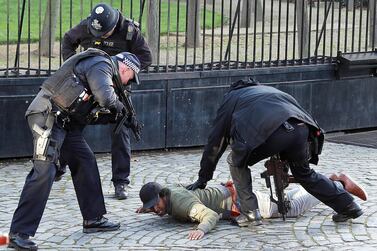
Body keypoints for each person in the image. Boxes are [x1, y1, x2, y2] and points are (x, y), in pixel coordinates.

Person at [8, 48, 141, 250]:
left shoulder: (103, 71)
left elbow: (89, 110)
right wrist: (119, 106)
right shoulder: (101, 64)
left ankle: (93, 218)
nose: (128, 83)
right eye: (131, 78)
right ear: (125, 69)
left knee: (85, 160)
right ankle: (18, 233)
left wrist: (116, 116)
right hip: (47, 117)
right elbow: (105, 97)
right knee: (45, 170)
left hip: (66, 124)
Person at [186, 78, 364, 227]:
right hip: (302, 129)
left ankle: (250, 213)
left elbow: (216, 142)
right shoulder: (267, 90)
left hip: (273, 132)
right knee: (304, 173)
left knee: (235, 160)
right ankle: (348, 206)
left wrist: (204, 178)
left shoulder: (231, 98)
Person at [61, 2, 152, 200]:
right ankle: (59, 166)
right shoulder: (89, 25)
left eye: (104, 33)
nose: (100, 36)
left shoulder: (129, 31)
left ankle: (121, 182)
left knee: (121, 130)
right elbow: (68, 40)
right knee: (71, 125)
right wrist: (74, 66)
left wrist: (123, 73)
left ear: (114, 25)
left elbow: (146, 57)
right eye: (97, 33)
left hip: (116, 88)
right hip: (87, 86)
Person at [137, 174, 367, 240]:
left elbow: (209, 215)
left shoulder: (181, 205)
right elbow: (181, 186)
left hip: (243, 202)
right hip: (235, 193)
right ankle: (329, 180)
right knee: (284, 201)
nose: (155, 210)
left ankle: (337, 185)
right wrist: (148, 207)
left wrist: (202, 229)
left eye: (155, 205)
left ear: (163, 197)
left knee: (292, 208)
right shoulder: (167, 191)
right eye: (151, 207)